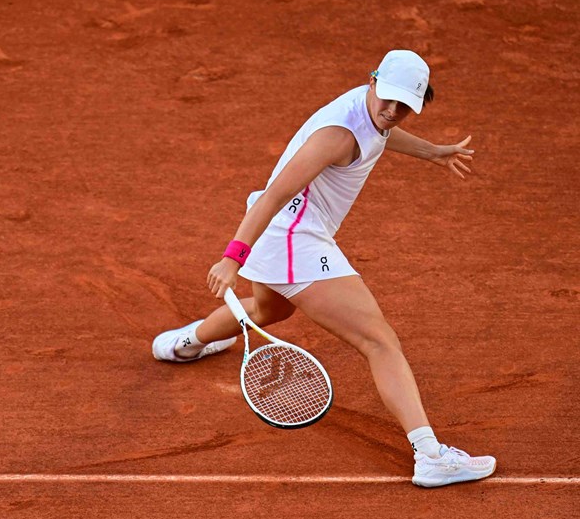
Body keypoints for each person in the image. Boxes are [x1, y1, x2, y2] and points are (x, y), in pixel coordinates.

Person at [152, 50, 495, 488]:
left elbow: (382, 134)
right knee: (379, 341)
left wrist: (432, 152)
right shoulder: (336, 135)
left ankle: (186, 343)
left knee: (269, 310)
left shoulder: (371, 110)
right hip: (293, 240)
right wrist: (231, 257)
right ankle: (430, 456)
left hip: (279, 237)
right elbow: (276, 194)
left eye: (405, 106)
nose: (392, 111)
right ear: (373, 80)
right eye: (387, 99)